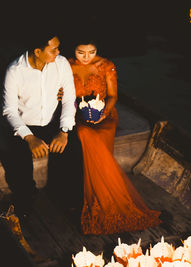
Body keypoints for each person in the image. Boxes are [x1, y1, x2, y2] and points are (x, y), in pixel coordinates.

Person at [66, 36, 162, 235]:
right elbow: (61, 94)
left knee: (93, 139)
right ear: (73, 49)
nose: (86, 57)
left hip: (105, 117)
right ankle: (90, 200)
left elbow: (113, 96)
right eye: (80, 52)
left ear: (96, 49)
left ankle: (108, 201)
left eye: (91, 52)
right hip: (77, 116)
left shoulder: (106, 65)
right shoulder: (65, 65)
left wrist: (103, 114)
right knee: (83, 133)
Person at [0, 30, 83, 219]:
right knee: (16, 158)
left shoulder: (61, 64)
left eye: (58, 48)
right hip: (25, 125)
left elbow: (70, 98)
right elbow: (9, 110)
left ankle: (69, 198)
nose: (58, 52)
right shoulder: (15, 71)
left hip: (52, 121)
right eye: (53, 49)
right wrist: (29, 138)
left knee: (73, 147)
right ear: (38, 51)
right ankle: (25, 199)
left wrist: (63, 131)